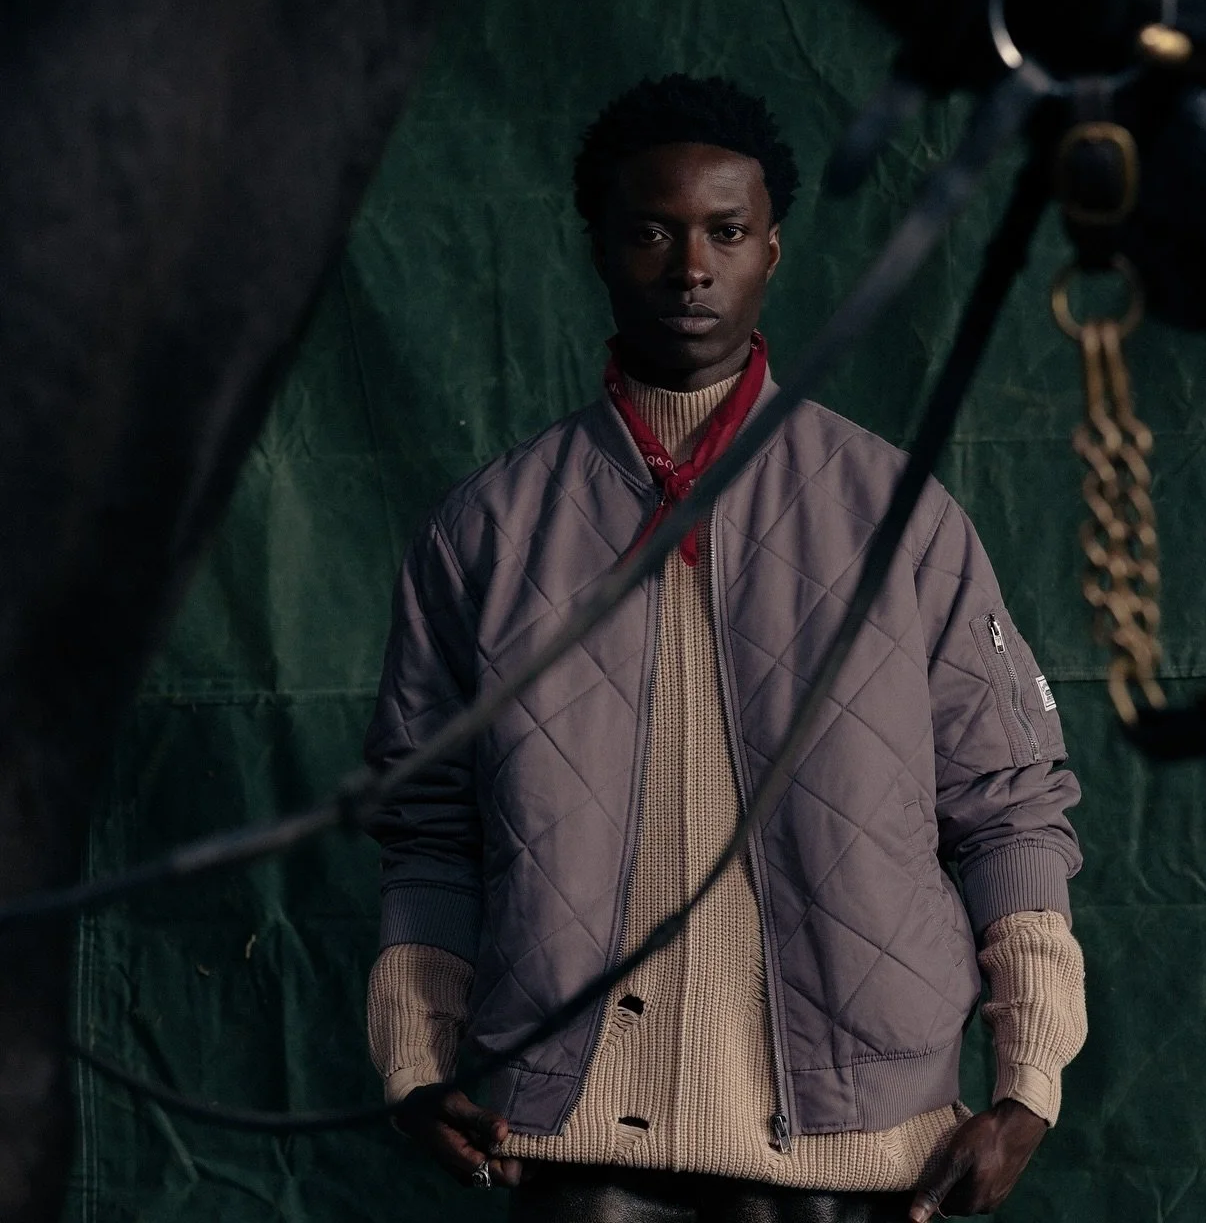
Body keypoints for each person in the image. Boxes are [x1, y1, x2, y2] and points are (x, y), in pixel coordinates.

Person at [363, 75, 1086, 1222]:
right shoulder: (486, 532)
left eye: (726, 231)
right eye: (651, 230)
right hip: (579, 1132)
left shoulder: (899, 512)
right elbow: (427, 832)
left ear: (773, 251)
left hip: (863, 1140)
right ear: (600, 247)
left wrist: (1029, 1083)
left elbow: (1011, 808)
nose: (690, 267)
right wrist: (416, 1057)